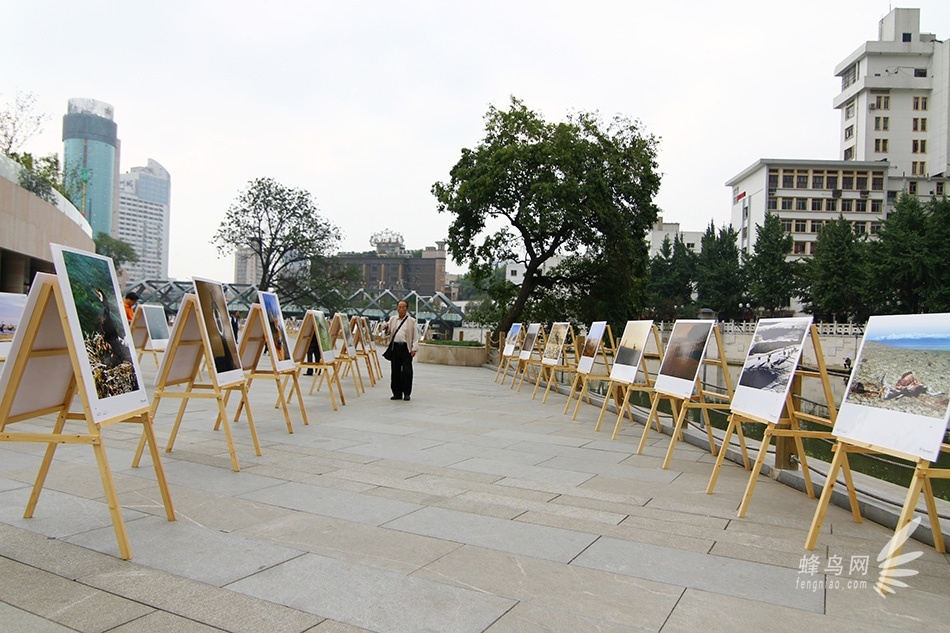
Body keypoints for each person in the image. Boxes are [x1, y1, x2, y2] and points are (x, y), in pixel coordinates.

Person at [385, 300, 419, 401]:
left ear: (407, 309)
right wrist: (385, 328)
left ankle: (407, 393)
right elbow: (388, 333)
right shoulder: (392, 319)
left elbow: (415, 336)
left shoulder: (412, 321)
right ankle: (396, 393)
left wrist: (414, 349)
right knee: (395, 371)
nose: (401, 309)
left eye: (403, 307)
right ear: (397, 308)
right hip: (395, 348)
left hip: (406, 348)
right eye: (399, 307)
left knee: (407, 372)